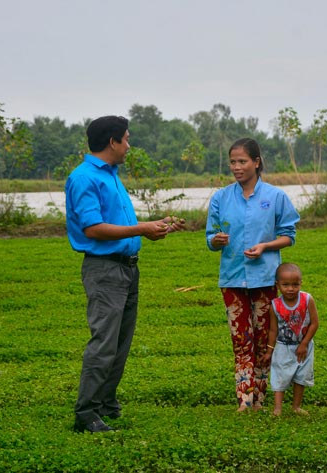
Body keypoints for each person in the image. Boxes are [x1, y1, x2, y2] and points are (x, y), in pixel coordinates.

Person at [65, 115, 184, 433]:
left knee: (120, 341)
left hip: (127, 268)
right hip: (105, 270)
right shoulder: (85, 178)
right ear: (112, 142)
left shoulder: (111, 175)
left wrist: (151, 228)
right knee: (104, 341)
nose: (129, 146)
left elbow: (119, 224)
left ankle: (104, 403)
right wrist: (142, 229)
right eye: (127, 139)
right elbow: (93, 228)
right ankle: (86, 413)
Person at [206, 137, 300, 412]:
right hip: (232, 279)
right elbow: (209, 238)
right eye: (233, 162)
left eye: (242, 161)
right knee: (241, 341)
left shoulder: (275, 197)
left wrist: (265, 247)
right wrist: (216, 240)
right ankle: (245, 401)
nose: (236, 167)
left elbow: (288, 236)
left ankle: (260, 398)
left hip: (265, 280)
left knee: (264, 341)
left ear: (256, 163)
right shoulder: (221, 197)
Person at [260, 263, 319, 416]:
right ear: (277, 285)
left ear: (301, 283)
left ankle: (296, 406)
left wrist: (304, 343)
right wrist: (269, 351)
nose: (291, 289)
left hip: (304, 347)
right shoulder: (275, 305)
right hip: (282, 347)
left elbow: (315, 323)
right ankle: (277, 408)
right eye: (285, 285)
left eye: (295, 284)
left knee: (301, 376)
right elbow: (273, 330)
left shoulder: (307, 299)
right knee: (280, 375)